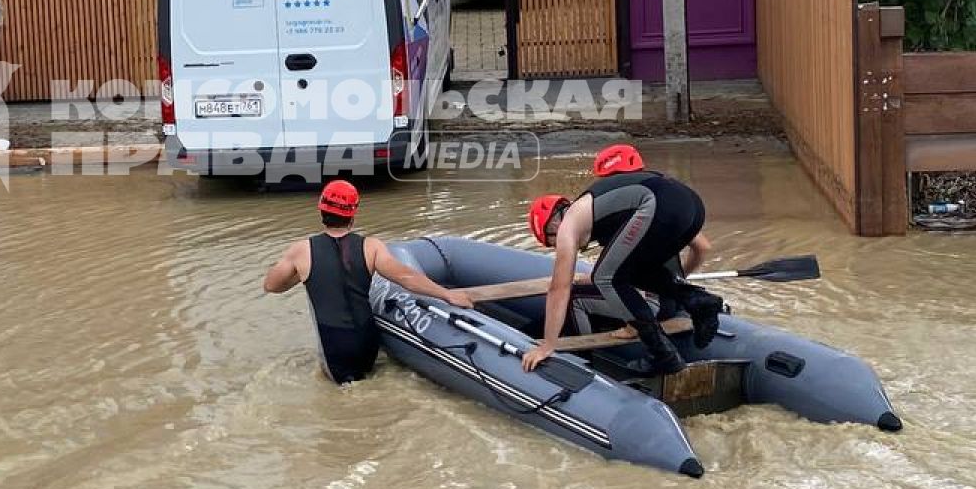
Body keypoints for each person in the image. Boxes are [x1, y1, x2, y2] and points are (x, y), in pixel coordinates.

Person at [520, 144, 725, 377]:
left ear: (552, 225)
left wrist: (548, 345)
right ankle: (699, 300)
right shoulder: (613, 212)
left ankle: (663, 355)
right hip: (692, 206)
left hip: (659, 205)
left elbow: (559, 288)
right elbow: (701, 247)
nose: (558, 248)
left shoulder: (570, 223)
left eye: (552, 242)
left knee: (604, 277)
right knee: (629, 272)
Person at [262, 181, 476, 385]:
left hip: (334, 342)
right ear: (352, 215)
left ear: (321, 212)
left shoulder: (301, 250)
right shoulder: (371, 247)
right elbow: (406, 277)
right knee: (365, 380)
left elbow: (271, 285)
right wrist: (448, 295)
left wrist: (300, 275)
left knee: (343, 395)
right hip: (367, 338)